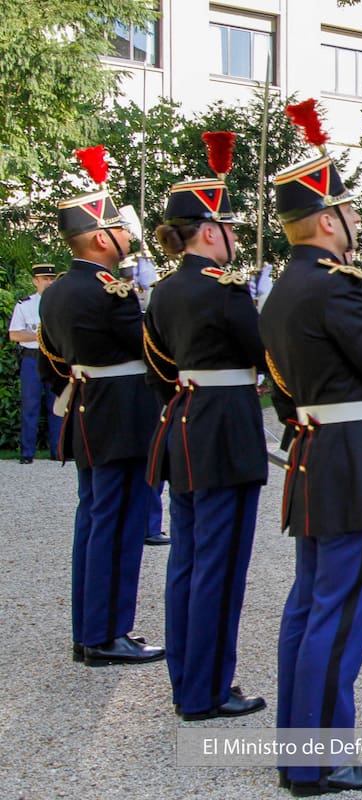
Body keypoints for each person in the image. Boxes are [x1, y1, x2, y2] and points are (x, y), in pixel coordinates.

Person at [259, 104, 362, 796]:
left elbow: (285, 393)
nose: (356, 223)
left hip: (317, 450)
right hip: (354, 460)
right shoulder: (337, 288)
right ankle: (320, 761)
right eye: (348, 212)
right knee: (340, 610)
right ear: (327, 220)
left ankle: (299, 750)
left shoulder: (280, 291)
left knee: (311, 605)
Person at [142, 133, 269, 721]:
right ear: (211, 230)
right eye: (230, 228)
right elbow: (265, 353)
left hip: (184, 423)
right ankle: (208, 691)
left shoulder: (161, 291)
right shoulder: (225, 288)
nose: (236, 238)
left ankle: (185, 681)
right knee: (219, 567)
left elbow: (159, 366)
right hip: (224, 432)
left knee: (188, 562)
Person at [37, 145, 163, 666]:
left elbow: (49, 360)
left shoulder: (58, 290)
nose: (128, 236)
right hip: (121, 415)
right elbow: (151, 349)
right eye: (120, 229)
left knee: (93, 520)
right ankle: (108, 634)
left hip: (89, 408)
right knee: (119, 524)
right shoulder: (110, 289)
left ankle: (89, 631)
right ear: (99, 237)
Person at [8, 263, 63, 464]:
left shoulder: (61, 304)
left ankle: (58, 451)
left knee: (56, 405)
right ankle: (27, 453)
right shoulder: (25, 305)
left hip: (54, 359)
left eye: (51, 279)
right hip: (32, 359)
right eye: (44, 279)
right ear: (35, 281)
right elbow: (14, 334)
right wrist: (42, 337)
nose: (49, 283)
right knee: (30, 405)